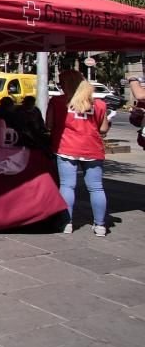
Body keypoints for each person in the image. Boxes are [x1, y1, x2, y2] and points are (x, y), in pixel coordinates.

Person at [46, 70, 110, 236]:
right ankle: (100, 225)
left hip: (66, 147)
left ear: (67, 84)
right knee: (96, 188)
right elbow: (103, 129)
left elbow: (49, 124)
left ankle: (67, 223)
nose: (60, 85)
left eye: (61, 82)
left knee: (67, 185)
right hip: (93, 148)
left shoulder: (58, 101)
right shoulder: (99, 104)